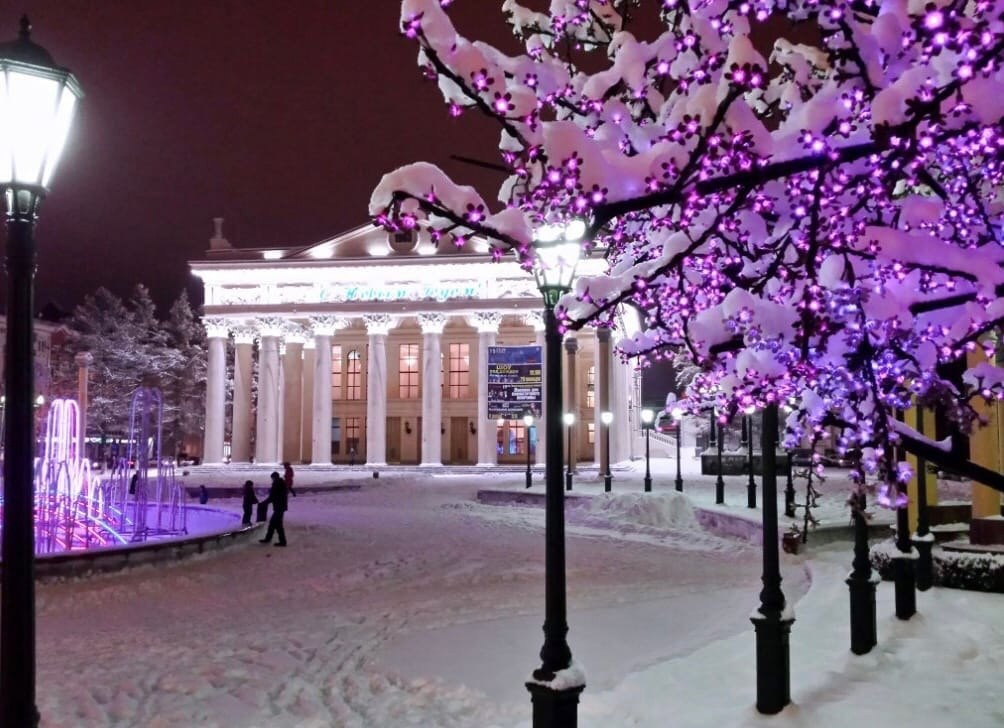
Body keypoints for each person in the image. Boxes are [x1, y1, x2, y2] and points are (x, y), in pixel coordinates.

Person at [258, 471, 288, 547]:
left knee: (277, 525)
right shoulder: (281, 483)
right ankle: (268, 538)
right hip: (281, 507)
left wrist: (264, 503)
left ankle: (282, 541)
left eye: (272, 478)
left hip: (279, 507)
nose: (272, 479)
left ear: (274, 477)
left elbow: (273, 497)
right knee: (273, 524)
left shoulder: (277, 484)